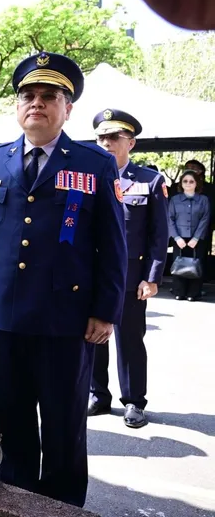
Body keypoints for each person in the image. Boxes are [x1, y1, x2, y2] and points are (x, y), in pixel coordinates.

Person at [0, 52, 126, 507]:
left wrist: (105, 310)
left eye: (49, 96)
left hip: (65, 319)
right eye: (28, 95)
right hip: (4, 313)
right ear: (17, 106)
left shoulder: (94, 163)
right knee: (12, 420)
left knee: (64, 421)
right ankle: (16, 502)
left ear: (67, 108)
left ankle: (63, 505)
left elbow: (113, 244)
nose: (37, 103)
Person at [88, 109, 167, 429]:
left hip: (131, 275)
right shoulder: (88, 179)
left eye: (113, 138)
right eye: (101, 137)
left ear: (130, 143)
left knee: (130, 338)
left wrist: (152, 277)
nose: (106, 143)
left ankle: (134, 400)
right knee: (94, 334)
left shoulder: (150, 181)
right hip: (93, 272)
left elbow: (158, 235)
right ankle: (98, 395)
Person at [168, 170, 210, 300]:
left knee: (196, 265)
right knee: (178, 265)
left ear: (196, 183)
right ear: (181, 183)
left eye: (191, 181)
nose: (188, 184)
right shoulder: (175, 200)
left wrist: (196, 238)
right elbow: (169, 218)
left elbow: (205, 219)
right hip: (179, 238)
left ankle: (193, 293)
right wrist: (176, 237)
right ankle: (179, 292)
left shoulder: (203, 200)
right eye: (185, 181)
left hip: (197, 239)